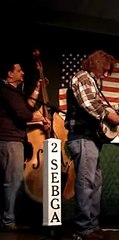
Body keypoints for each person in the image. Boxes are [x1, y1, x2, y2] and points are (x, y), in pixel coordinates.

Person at [65, 50, 119, 240]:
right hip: (82, 137)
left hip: (91, 139)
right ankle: (83, 229)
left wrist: (116, 109)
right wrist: (108, 114)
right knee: (86, 183)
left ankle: (92, 226)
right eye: (105, 69)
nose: (106, 74)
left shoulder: (93, 80)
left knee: (94, 184)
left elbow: (95, 107)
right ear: (96, 63)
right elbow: (88, 104)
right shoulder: (82, 77)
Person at [0, 58, 49, 231]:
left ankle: (10, 220)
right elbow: (23, 114)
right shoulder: (6, 90)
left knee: (14, 181)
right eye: (19, 70)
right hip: (9, 140)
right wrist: (40, 118)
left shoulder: (15, 92)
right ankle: (8, 222)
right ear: (10, 73)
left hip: (15, 140)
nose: (23, 73)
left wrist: (37, 88)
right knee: (12, 181)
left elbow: (28, 106)